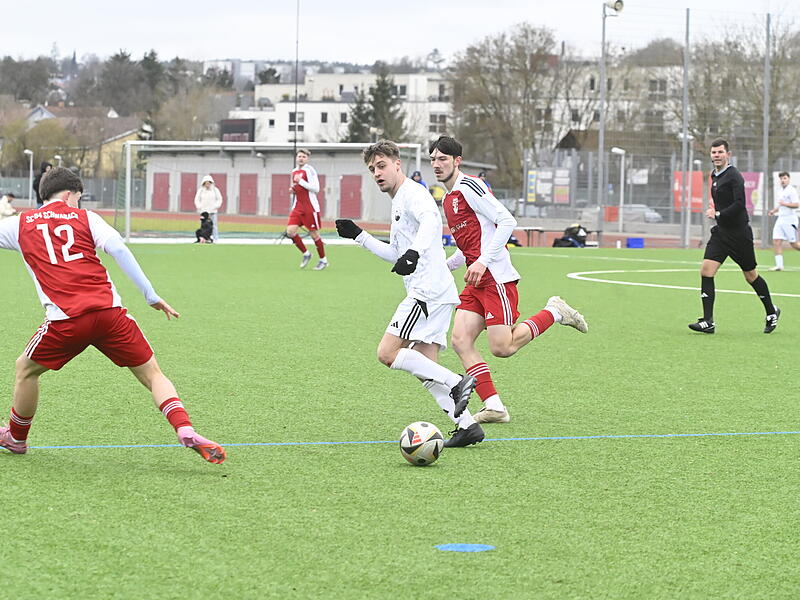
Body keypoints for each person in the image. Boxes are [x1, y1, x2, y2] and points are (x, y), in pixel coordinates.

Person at [0, 167, 226, 463]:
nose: (78, 204)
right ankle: (184, 427)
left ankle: (16, 438)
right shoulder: (87, 218)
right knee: (153, 374)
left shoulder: (20, 224)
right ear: (68, 195)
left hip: (66, 320)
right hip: (110, 314)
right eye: (79, 198)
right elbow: (119, 250)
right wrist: (151, 295)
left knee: (26, 369)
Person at [430, 136, 587, 424]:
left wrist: (482, 261)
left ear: (457, 161)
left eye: (442, 159)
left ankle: (554, 312)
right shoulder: (449, 199)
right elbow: (467, 247)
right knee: (461, 340)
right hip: (476, 280)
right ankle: (494, 406)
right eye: (433, 159)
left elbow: (507, 221)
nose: (436, 164)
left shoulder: (470, 186)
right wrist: (442, 267)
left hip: (496, 278)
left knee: (502, 348)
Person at [335, 140, 483, 447]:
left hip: (426, 291)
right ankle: (467, 426)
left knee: (387, 353)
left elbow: (431, 220)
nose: (377, 173)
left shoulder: (413, 193)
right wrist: (359, 235)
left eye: (382, 166)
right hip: (437, 291)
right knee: (425, 366)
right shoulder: (398, 201)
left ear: (397, 164)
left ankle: (457, 381)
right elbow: (395, 254)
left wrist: (414, 253)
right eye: (372, 169)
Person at [689, 139, 779, 334]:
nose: (717, 155)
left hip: (739, 235)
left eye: (720, 152)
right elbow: (722, 199)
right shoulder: (714, 175)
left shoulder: (734, 176)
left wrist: (717, 214)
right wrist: (715, 206)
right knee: (706, 271)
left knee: (750, 275)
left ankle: (771, 312)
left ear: (728, 154)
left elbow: (739, 204)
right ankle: (708, 321)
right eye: (714, 152)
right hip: (721, 233)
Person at [286, 148, 328, 270]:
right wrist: (293, 190)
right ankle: (306, 253)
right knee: (290, 232)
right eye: (299, 156)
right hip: (297, 207)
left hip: (310, 207)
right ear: (296, 158)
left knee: (314, 234)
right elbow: (297, 187)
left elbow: (316, 188)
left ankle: (323, 260)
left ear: (307, 159)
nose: (301, 158)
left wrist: (301, 182)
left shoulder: (310, 170)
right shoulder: (294, 171)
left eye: (304, 157)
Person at [767, 171, 800, 271]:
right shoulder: (780, 191)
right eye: (781, 178)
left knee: (794, 244)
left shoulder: (791, 190)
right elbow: (781, 205)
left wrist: (784, 204)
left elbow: (796, 204)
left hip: (790, 220)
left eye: (785, 178)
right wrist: (774, 211)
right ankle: (779, 265)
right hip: (781, 219)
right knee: (776, 240)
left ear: (788, 179)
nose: (783, 180)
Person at [193, 175, 223, 242]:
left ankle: (215, 239)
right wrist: (199, 207)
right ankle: (204, 239)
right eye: (206, 183)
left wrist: (215, 206)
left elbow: (219, 199)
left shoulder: (215, 190)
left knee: (214, 226)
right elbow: (197, 199)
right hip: (204, 212)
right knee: (203, 226)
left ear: (211, 183)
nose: (207, 185)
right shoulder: (200, 190)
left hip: (213, 212)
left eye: (208, 183)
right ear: (203, 183)